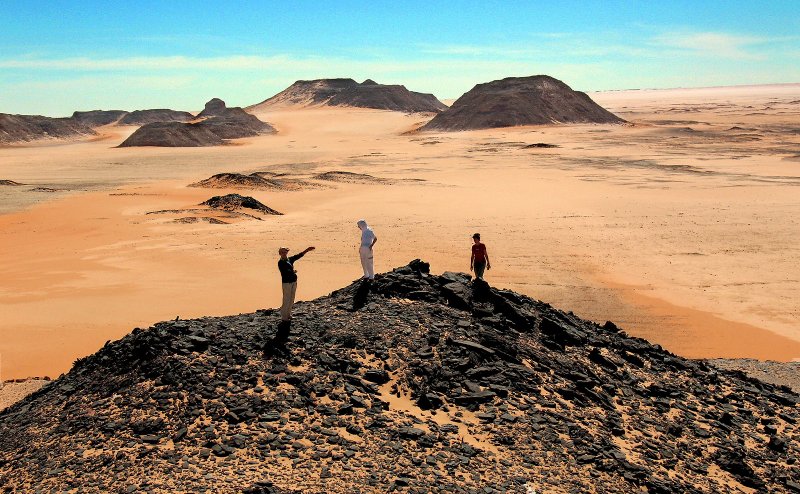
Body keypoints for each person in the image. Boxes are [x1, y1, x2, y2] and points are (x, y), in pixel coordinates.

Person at [277, 246, 315, 322]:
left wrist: (307, 250)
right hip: (287, 283)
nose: (284, 253)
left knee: (291, 299)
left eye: (285, 252)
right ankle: (284, 317)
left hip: (293, 281)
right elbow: (285, 272)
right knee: (286, 299)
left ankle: (288, 314)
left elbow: (298, 256)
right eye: (283, 252)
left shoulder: (289, 259)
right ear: (280, 254)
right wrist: (293, 272)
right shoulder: (280, 262)